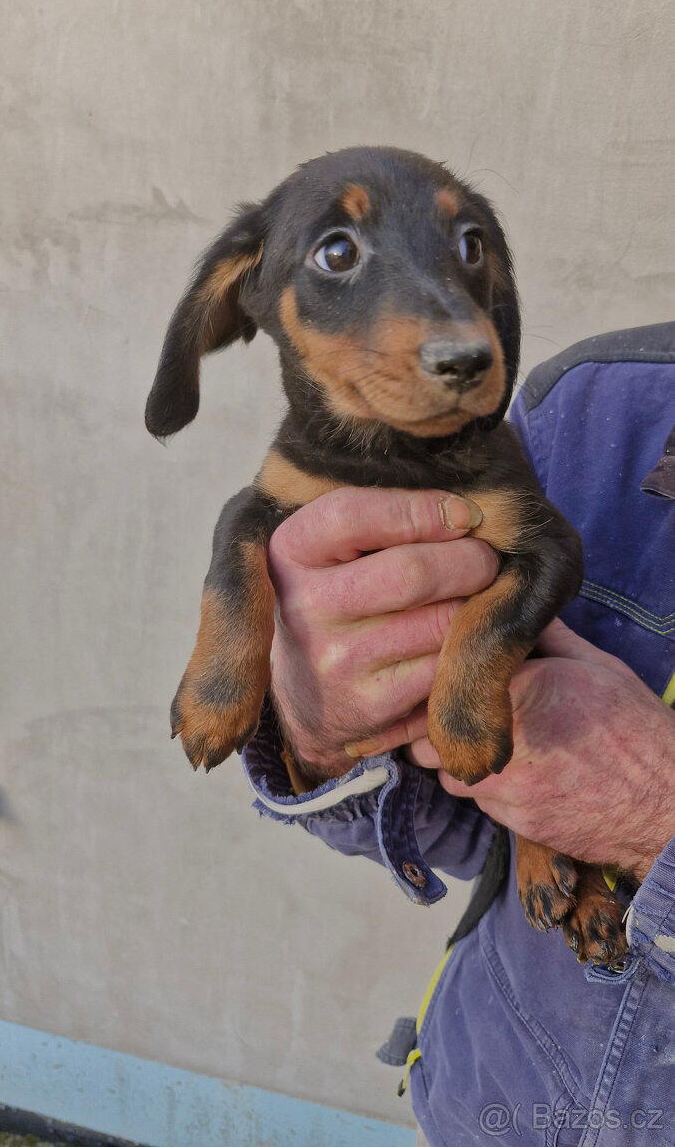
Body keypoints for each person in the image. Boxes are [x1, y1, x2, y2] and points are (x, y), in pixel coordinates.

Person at [242, 323, 675, 1146]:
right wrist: (319, 732)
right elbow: (469, 808)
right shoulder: (588, 402)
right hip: (475, 1107)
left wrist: (658, 820)